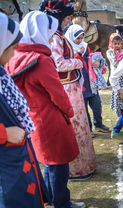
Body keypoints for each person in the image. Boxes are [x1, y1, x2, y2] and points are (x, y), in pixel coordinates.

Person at [6, 10, 86, 208]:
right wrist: (69, 111)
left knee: (48, 162)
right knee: (58, 163)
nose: (51, 37)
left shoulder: (15, 56)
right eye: (49, 33)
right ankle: (62, 204)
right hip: (50, 118)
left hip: (31, 118)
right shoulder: (41, 60)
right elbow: (57, 93)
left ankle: (50, 197)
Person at [0, 13, 49, 208]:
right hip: (6, 172)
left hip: (18, 163)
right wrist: (3, 132)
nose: (16, 49)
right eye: (11, 45)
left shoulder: (1, 74)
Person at [40, 0, 96, 180]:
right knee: (76, 125)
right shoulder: (55, 38)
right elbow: (58, 64)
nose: (67, 22)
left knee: (80, 124)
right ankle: (77, 168)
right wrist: (78, 61)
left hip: (72, 86)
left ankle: (84, 165)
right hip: (67, 88)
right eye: (65, 19)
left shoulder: (58, 35)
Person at [65, 24, 109, 136]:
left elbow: (92, 58)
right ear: (71, 36)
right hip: (80, 84)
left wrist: (98, 63)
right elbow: (69, 63)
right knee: (84, 110)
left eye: (81, 37)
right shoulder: (68, 49)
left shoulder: (86, 46)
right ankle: (88, 128)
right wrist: (79, 53)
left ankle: (98, 124)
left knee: (97, 105)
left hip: (91, 82)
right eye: (77, 38)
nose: (80, 40)